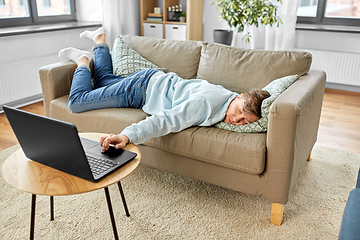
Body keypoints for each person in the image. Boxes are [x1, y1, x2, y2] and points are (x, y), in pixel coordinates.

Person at [58, 27, 270, 153]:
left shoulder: (227, 97)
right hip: (140, 89)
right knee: (78, 101)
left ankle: (100, 39)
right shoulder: (207, 104)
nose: (237, 121)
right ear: (240, 96)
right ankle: (83, 61)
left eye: (245, 122)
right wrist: (126, 136)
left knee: (103, 80)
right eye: (239, 112)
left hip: (150, 80)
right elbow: (166, 119)